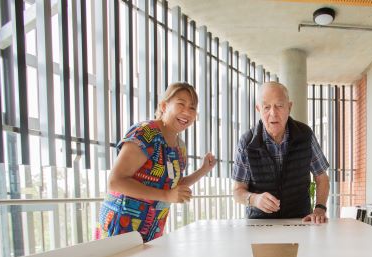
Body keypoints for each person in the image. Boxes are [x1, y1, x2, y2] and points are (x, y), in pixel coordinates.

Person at [96, 82, 216, 242]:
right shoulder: (145, 133)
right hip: (121, 228)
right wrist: (166, 195)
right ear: (164, 106)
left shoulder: (180, 147)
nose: (187, 111)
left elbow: (173, 186)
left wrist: (203, 170)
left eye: (192, 108)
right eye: (181, 104)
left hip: (152, 230)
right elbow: (115, 182)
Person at [232, 81, 330, 223]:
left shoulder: (305, 135)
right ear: (258, 109)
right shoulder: (246, 143)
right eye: (266, 107)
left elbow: (322, 178)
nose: (273, 113)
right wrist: (254, 199)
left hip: (300, 221)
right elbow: (237, 192)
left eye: (279, 106)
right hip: (259, 225)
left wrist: (320, 208)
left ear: (289, 107)